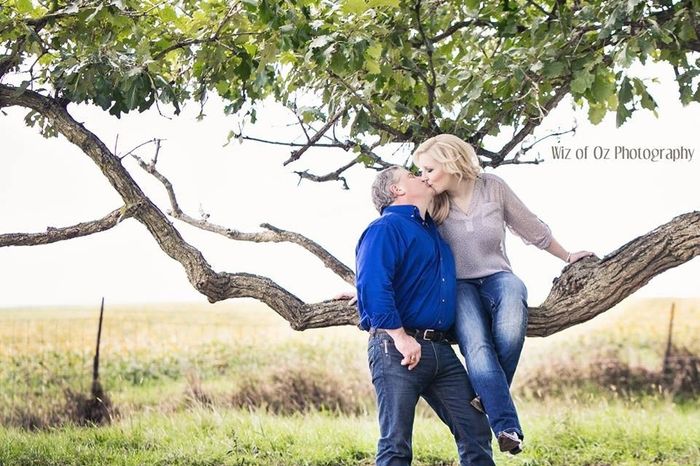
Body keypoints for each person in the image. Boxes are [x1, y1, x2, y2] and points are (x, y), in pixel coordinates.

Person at [413, 133, 594, 454]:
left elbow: (531, 227)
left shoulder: (492, 187)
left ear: (450, 162)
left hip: (497, 277)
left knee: (513, 300)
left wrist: (567, 255)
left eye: (429, 169)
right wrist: (364, 286)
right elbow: (402, 246)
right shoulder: (432, 201)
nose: (423, 177)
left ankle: (487, 396)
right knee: (477, 343)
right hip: (458, 286)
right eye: (421, 171)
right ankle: (507, 427)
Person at [355, 165, 494, 466]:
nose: (421, 176)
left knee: (475, 430)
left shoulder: (431, 231)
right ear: (397, 190)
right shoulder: (385, 228)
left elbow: (410, 280)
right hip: (397, 349)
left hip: (440, 350)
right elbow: (373, 283)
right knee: (396, 444)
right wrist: (400, 337)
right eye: (411, 175)